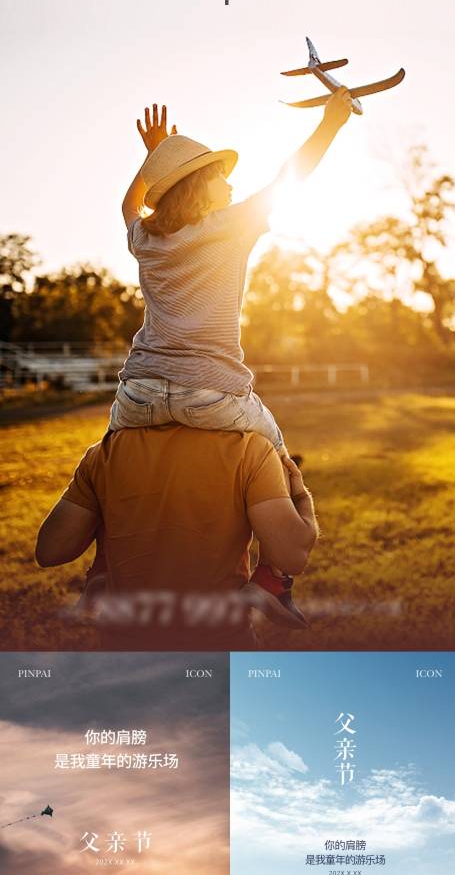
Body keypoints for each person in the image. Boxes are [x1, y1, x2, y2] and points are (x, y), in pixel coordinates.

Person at [108, 88, 351, 622]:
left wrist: (152, 159)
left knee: (110, 468)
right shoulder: (229, 226)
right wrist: (332, 122)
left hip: (139, 395)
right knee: (282, 456)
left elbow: (129, 205)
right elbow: (293, 174)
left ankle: (102, 570)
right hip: (212, 394)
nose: (231, 183)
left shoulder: (144, 238)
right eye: (219, 175)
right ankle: (273, 579)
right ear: (201, 187)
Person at [35, 431, 318, 646]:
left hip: (123, 645)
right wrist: (301, 497)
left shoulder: (105, 453)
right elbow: (291, 555)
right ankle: (269, 581)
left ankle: (102, 566)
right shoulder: (250, 448)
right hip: (219, 642)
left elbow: (51, 550)